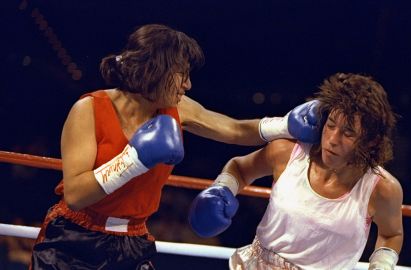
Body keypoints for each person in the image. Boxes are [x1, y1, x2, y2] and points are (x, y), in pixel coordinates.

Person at [30, 24, 322, 270]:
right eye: (182, 73)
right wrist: (133, 160)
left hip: (133, 240)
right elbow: (77, 194)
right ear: (156, 70)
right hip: (74, 239)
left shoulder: (177, 109)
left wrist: (284, 125)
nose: (188, 84)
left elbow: (233, 130)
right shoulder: (89, 109)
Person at [189, 73, 404, 270]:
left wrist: (382, 264)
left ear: (370, 141)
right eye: (330, 125)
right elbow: (240, 168)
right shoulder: (289, 152)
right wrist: (222, 188)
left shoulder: (381, 189)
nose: (333, 140)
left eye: (348, 133)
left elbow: (391, 233)